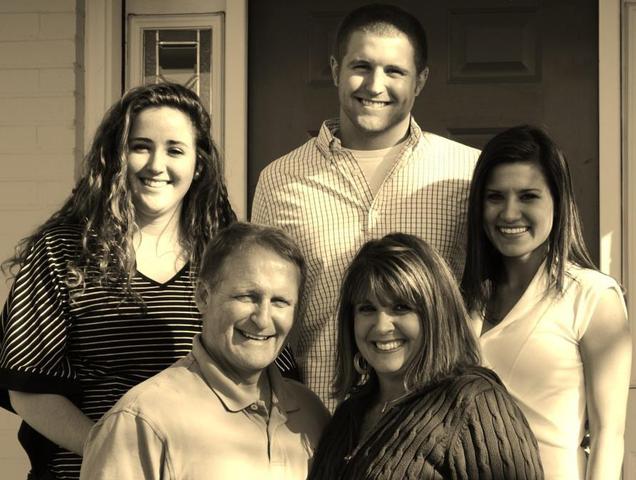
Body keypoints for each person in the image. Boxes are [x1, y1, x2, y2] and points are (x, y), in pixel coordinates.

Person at [0, 82, 236, 479]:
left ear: (198, 165)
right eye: (140, 146)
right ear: (116, 156)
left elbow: (266, 369)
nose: (156, 165)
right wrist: (114, 454)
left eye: (175, 150)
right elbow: (28, 387)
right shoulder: (61, 250)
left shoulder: (224, 257)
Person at [252, 3, 480, 408]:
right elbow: (266, 311)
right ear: (335, 69)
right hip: (319, 418)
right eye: (361, 66)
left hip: (436, 418)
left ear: (420, 80)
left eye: (394, 71)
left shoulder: (466, 173)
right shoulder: (280, 180)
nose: (375, 85)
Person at [79, 222, 330, 479]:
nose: (263, 319)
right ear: (203, 296)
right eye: (247, 297)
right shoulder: (141, 422)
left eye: (280, 302)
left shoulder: (310, 414)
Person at [460, 125, 632, 479]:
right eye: (495, 197)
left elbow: (608, 436)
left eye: (528, 196)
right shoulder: (465, 299)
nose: (509, 213)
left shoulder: (592, 296)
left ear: (558, 201)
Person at [308, 233, 543, 479]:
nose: (382, 326)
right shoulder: (349, 413)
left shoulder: (473, 402)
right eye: (367, 309)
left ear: (436, 314)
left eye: (401, 307)